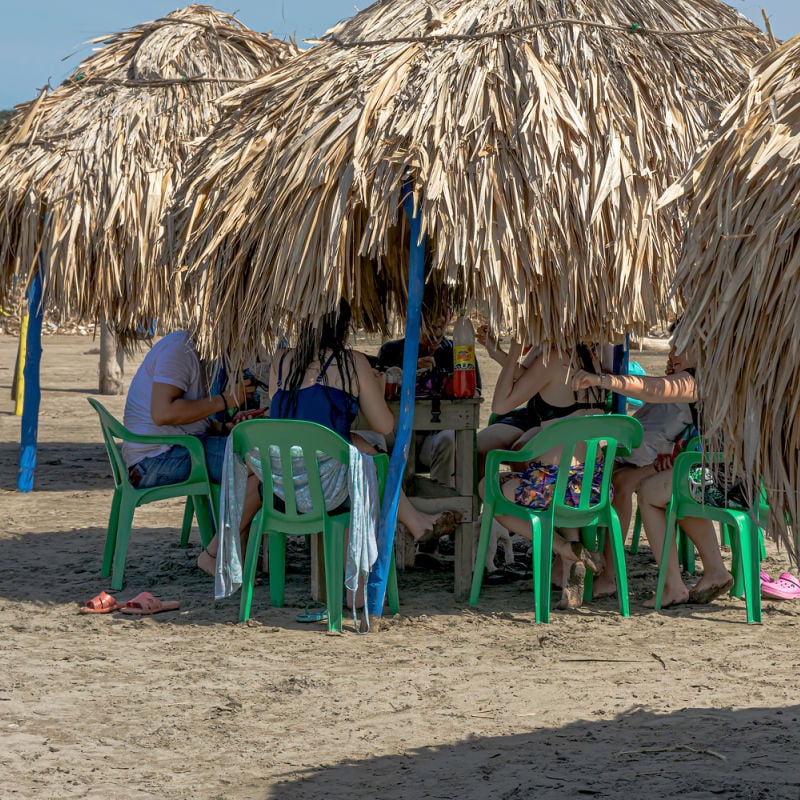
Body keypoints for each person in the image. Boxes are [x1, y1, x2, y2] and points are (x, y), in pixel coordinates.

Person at [200, 300, 461, 581]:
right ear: (343, 327)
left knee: (355, 446)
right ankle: (361, 577)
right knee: (369, 461)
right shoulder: (352, 362)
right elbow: (385, 425)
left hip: (281, 490)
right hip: (330, 492)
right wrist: (371, 386)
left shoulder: (282, 360)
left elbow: (291, 422)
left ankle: (214, 552)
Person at [571, 344, 735, 607]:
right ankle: (713, 571)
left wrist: (602, 380)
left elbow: (654, 388)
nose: (674, 353)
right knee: (660, 487)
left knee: (649, 492)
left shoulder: (699, 379)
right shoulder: (725, 372)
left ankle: (673, 585)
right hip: (733, 472)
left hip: (726, 480)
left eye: (680, 347)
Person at [478, 339, 608, 609]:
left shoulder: (551, 359)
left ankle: (564, 550)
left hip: (554, 488)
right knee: (556, 475)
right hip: (593, 487)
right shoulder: (591, 358)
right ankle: (566, 568)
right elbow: (529, 380)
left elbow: (500, 405)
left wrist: (514, 351)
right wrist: (499, 354)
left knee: (487, 489)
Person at [122, 330, 254, 490]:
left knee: (255, 458)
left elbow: (185, 420)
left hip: (167, 452)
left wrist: (222, 427)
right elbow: (163, 413)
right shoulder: (180, 351)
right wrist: (225, 401)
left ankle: (227, 514)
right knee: (259, 465)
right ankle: (241, 516)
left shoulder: (196, 354)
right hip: (154, 460)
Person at [376, 292, 482, 487]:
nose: (435, 333)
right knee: (373, 438)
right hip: (396, 436)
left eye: (440, 327)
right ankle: (390, 500)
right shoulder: (392, 351)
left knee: (449, 439)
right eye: (430, 327)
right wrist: (410, 369)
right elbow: (378, 391)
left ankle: (441, 498)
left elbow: (474, 394)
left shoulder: (457, 354)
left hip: (432, 438)